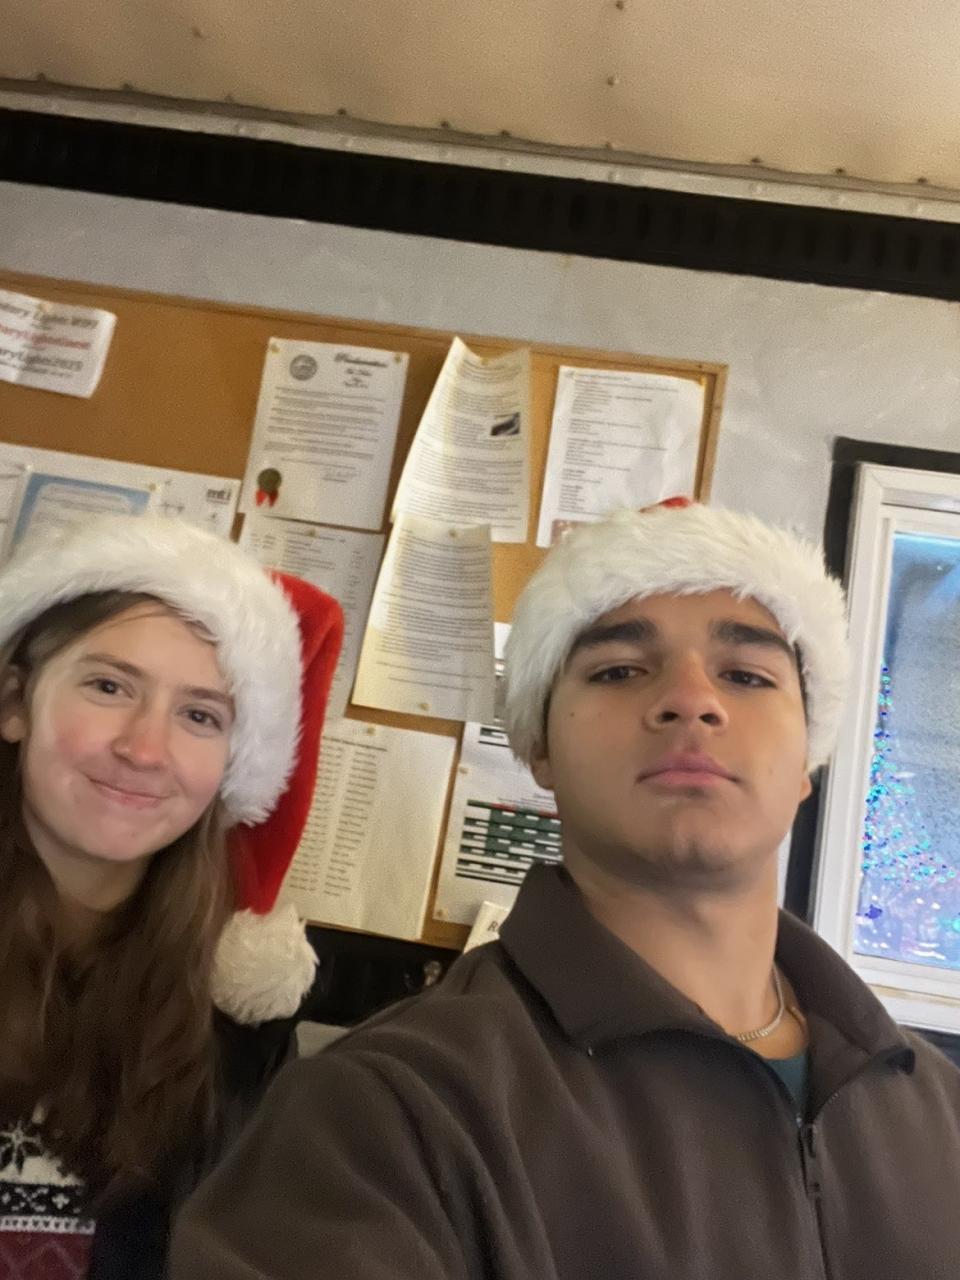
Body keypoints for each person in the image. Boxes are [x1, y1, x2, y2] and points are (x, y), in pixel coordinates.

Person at [171, 501, 960, 1280]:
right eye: (619, 670)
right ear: (539, 746)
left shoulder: (941, 1109)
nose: (692, 699)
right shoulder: (385, 1116)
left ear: (808, 760)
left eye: (747, 675)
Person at [0, 514, 343, 1279]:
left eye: (198, 715)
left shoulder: (235, 1027)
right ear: (15, 701)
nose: (145, 749)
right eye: (108, 685)